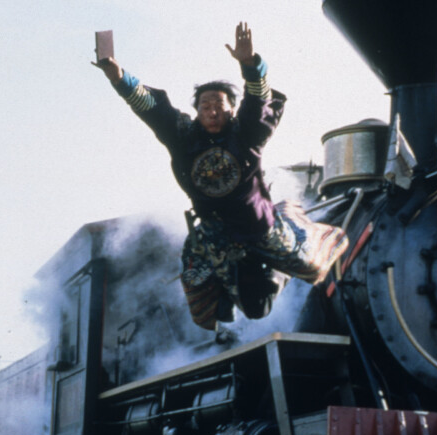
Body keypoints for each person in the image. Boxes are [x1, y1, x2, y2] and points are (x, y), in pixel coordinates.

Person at [94, 22, 348, 330]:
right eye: (205, 106)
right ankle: (230, 294)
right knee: (211, 291)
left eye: (219, 105)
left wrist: (251, 65)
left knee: (305, 269)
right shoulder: (183, 137)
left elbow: (257, 105)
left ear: (230, 111)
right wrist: (118, 78)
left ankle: (279, 256)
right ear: (197, 112)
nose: (212, 111)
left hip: (259, 228)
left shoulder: (245, 135)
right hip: (214, 235)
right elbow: (152, 109)